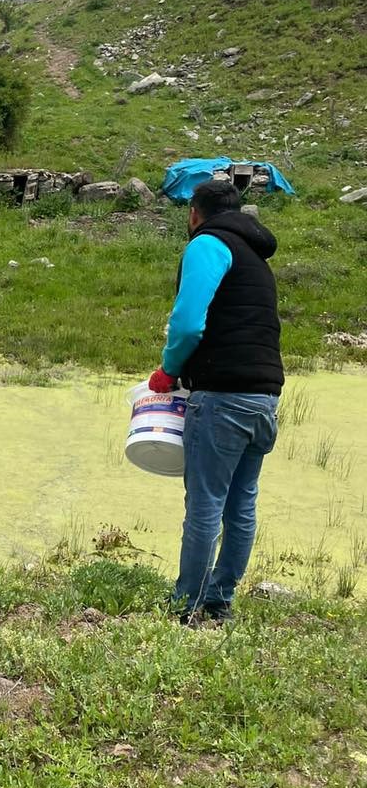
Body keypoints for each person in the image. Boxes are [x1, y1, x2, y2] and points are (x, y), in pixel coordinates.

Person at [148, 180, 283, 624]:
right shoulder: (257, 259)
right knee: (241, 504)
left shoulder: (207, 244)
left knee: (205, 503)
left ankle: (184, 606)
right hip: (264, 399)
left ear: (193, 213)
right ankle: (219, 602)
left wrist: (168, 371)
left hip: (223, 397)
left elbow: (188, 323)